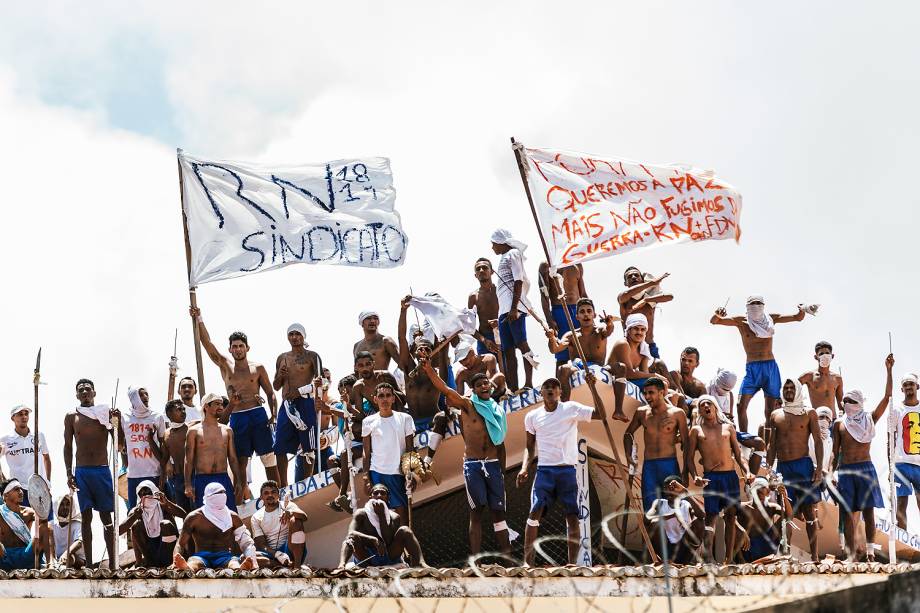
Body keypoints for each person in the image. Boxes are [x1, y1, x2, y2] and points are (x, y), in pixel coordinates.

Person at [423, 360, 513, 555]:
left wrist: (502, 472)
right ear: (473, 389)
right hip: (473, 465)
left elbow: (501, 445)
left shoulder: (497, 411)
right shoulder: (467, 405)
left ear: (490, 386)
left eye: (485, 383)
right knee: (477, 511)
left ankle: (508, 558)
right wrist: (430, 370)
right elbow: (445, 389)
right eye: (478, 385)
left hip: (493, 465)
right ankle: (476, 561)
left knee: (499, 513)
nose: (483, 386)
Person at [517, 376, 604, 566]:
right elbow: (529, 446)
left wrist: (593, 387)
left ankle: (572, 563)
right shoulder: (532, 416)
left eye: (554, 386)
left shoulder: (570, 408)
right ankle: (527, 563)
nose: (550, 389)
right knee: (535, 510)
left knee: (572, 514)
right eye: (546, 386)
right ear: (541, 392)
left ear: (560, 391)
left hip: (567, 470)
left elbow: (601, 414)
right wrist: (525, 467)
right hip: (544, 471)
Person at [191, 306, 280, 491]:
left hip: (257, 414)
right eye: (235, 346)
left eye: (241, 346)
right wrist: (198, 318)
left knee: (268, 457)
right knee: (240, 461)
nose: (238, 349)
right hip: (238, 417)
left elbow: (271, 393)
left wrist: (273, 414)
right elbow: (207, 344)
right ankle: (238, 500)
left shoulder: (258, 368)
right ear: (230, 349)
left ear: (247, 347)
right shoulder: (226, 366)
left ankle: (278, 492)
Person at [710, 296, 807, 434]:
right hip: (752, 368)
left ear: (763, 306)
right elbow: (715, 321)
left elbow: (797, 317)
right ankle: (745, 439)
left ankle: (769, 442)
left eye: (759, 303)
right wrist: (718, 313)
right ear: (747, 307)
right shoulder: (741, 321)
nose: (756, 306)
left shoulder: (770, 319)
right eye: (752, 304)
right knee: (740, 405)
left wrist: (802, 309)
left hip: (770, 368)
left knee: (770, 410)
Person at [831, 354, 894, 562]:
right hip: (846, 471)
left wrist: (888, 370)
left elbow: (886, 398)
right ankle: (850, 555)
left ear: (859, 402)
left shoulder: (869, 419)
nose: (847, 403)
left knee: (868, 513)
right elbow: (835, 450)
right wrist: (831, 472)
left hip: (866, 469)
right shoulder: (839, 424)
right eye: (845, 400)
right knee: (847, 514)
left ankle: (869, 553)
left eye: (851, 400)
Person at [685, 395, 753, 563]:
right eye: (702, 405)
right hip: (711, 478)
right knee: (711, 517)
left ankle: (729, 560)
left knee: (731, 517)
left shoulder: (728, 428)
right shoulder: (696, 430)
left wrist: (748, 471)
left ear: (715, 407)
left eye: (709, 403)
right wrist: (696, 477)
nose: (706, 406)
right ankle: (707, 559)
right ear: (700, 410)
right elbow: (689, 457)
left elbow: (738, 455)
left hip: (730, 477)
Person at [765, 378, 824, 562]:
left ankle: (814, 555)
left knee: (809, 512)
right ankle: (786, 553)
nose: (788, 390)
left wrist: (820, 468)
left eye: (792, 387)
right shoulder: (775, 415)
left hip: (804, 466)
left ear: (798, 390)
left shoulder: (809, 413)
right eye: (786, 387)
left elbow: (818, 440)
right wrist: (769, 470)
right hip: (784, 467)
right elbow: (771, 445)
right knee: (785, 512)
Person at [63, 378, 118, 568]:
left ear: (94, 393)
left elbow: (118, 441)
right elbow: (68, 446)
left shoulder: (104, 412)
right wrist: (69, 473)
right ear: (77, 395)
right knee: (86, 517)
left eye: (88, 389)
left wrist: (116, 422)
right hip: (82, 471)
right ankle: (88, 563)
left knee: (106, 517)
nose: (85, 392)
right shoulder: (72, 416)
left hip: (101, 470)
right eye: (81, 390)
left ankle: (112, 562)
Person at [624, 377, 689, 512]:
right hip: (650, 467)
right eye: (645, 393)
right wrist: (628, 455)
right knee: (651, 509)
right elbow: (628, 433)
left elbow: (687, 443)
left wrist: (686, 471)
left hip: (670, 465)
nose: (647, 396)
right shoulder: (642, 412)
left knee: (676, 507)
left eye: (651, 393)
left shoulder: (677, 413)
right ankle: (651, 533)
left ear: (661, 392)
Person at [273, 323, 324, 486]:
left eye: (297, 334)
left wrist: (301, 391)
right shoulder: (282, 357)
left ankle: (306, 484)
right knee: (279, 446)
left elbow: (323, 382)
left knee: (309, 447)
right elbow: (275, 386)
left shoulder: (312, 356)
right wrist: (281, 376)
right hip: (287, 405)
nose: (294, 337)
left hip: (305, 403)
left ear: (303, 336)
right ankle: (283, 485)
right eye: (291, 334)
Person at [361, 383, 418, 526]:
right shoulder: (368, 421)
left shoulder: (405, 418)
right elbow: (366, 452)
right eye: (381, 396)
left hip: (398, 473)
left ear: (393, 398)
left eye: (388, 395)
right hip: (376, 473)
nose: (384, 399)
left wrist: (410, 474)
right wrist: (366, 478)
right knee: (380, 518)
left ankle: (402, 548)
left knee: (402, 519)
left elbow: (410, 449)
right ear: (375, 399)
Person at [491, 228, 539, 392]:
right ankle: (513, 387)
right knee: (508, 350)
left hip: (514, 309)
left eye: (493, 244)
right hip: (504, 311)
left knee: (522, 344)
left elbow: (518, 281)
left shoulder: (512, 254)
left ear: (500, 242)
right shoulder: (504, 257)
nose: (492, 248)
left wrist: (513, 309)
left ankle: (529, 383)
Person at [173, 482, 258, 571]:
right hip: (201, 556)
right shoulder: (194, 517)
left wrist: (252, 560)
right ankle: (187, 568)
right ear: (208, 497)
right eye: (218, 493)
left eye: (223, 492)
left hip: (225, 557)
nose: (222, 495)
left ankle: (239, 569)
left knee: (233, 563)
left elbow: (246, 542)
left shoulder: (233, 517)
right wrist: (175, 560)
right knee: (194, 563)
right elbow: (180, 544)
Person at [546, 297, 617, 402]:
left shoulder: (600, 331)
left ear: (594, 315)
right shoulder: (571, 335)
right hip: (577, 368)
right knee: (562, 369)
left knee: (620, 366)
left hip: (597, 368)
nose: (586, 314)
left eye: (589, 311)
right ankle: (564, 405)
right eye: (582, 312)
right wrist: (551, 338)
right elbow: (555, 349)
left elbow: (609, 331)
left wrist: (610, 323)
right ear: (577, 317)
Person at [339, 483, 424, 568]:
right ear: (370, 497)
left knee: (405, 530)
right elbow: (351, 533)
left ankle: (420, 563)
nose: (379, 496)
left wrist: (381, 515)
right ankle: (341, 566)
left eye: (383, 493)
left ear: (388, 498)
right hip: (367, 558)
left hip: (388, 556)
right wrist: (373, 539)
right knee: (350, 539)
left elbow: (387, 540)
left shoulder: (394, 517)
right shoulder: (361, 513)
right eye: (375, 493)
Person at [608, 313, 674, 422]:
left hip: (631, 380)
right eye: (636, 329)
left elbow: (645, 376)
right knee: (657, 384)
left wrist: (658, 382)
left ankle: (667, 419)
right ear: (628, 330)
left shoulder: (643, 349)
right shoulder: (623, 344)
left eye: (643, 330)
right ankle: (664, 418)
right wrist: (654, 375)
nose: (639, 332)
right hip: (618, 377)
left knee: (667, 389)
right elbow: (628, 373)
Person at [185, 393, 244, 511]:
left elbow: (232, 458)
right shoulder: (193, 431)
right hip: (202, 479)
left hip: (223, 478)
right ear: (206, 407)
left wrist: (238, 481)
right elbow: (188, 460)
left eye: (222, 404)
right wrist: (188, 485)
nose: (221, 407)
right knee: (206, 520)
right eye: (217, 404)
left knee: (230, 515)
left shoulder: (227, 430)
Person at [326, 375, 372, 513]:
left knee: (345, 452)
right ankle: (345, 497)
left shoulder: (365, 404)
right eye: (340, 392)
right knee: (331, 461)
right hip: (351, 447)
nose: (343, 394)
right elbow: (328, 408)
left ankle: (341, 495)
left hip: (365, 445)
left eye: (346, 390)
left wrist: (341, 409)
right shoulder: (340, 405)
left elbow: (362, 420)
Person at [120, 387, 167, 512]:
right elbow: (121, 444)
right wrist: (126, 463)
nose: (145, 397)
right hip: (134, 474)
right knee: (134, 512)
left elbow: (163, 445)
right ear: (134, 399)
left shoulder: (157, 417)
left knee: (157, 510)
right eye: (141, 395)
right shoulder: (124, 418)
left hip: (154, 473)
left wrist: (164, 472)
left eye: (147, 394)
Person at [1, 405, 51, 518]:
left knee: (44, 524)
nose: (24, 417)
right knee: (22, 523)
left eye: (26, 414)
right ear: (13, 418)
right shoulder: (6, 439)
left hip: (40, 487)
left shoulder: (39, 435)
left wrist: (48, 482)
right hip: (19, 490)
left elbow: (46, 458)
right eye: (20, 414)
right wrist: (4, 481)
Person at [119, 480, 184, 568]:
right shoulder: (137, 511)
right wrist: (134, 516)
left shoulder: (162, 505)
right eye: (141, 493)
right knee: (136, 525)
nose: (145, 495)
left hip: (167, 552)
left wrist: (167, 503)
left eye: (147, 491)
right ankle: (149, 563)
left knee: (166, 524)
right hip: (150, 554)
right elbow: (118, 531)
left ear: (153, 492)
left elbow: (184, 515)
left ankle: (170, 562)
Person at [645, 476, 705, 564]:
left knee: (699, 523)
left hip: (683, 548)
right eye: (667, 489)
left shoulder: (686, 504)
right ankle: (665, 560)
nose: (669, 491)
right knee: (655, 522)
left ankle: (686, 561)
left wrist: (685, 491)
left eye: (673, 489)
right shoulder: (660, 503)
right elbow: (647, 519)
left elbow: (702, 515)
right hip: (664, 549)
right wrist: (672, 515)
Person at [618, 267, 672, 360]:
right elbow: (623, 296)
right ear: (625, 283)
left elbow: (669, 296)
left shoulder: (651, 298)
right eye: (630, 276)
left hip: (649, 345)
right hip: (630, 347)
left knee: (658, 370)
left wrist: (646, 300)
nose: (634, 277)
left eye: (636, 275)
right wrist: (651, 283)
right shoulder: (625, 298)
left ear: (642, 279)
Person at [735, 477, 793, 563]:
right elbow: (727, 516)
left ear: (767, 492)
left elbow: (789, 516)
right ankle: (741, 560)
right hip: (748, 549)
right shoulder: (743, 507)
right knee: (734, 526)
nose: (760, 494)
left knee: (786, 522)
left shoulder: (771, 507)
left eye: (762, 491)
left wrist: (784, 496)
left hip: (767, 548)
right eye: (757, 491)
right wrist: (741, 529)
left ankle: (785, 555)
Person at [251, 481, 308, 568]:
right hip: (271, 555)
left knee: (296, 521)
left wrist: (291, 513)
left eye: (273, 492)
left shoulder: (287, 505)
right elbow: (261, 545)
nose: (270, 495)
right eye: (266, 493)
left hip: (291, 550)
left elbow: (304, 516)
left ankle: (297, 567)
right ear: (261, 497)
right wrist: (277, 554)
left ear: (278, 495)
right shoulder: (256, 517)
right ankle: (286, 566)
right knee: (247, 557)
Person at [538, 262, 586, 365]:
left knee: (583, 353)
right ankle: (561, 380)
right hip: (559, 311)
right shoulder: (546, 264)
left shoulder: (577, 263)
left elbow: (583, 293)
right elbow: (544, 296)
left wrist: (591, 314)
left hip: (578, 312)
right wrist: (550, 321)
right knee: (561, 356)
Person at [0, 479, 47, 570]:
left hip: (26, 555)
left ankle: (51, 562)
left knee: (46, 527)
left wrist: (40, 503)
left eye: (21, 489)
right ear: (6, 496)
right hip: (5, 558)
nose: (21, 492)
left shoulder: (30, 512)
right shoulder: (1, 512)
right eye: (16, 489)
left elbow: (38, 531)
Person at [894, 372, 920, 529]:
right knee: (901, 503)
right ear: (901, 389)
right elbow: (890, 437)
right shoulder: (896, 409)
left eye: (911, 384)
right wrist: (891, 465)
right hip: (901, 463)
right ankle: (901, 539)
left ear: (917, 386)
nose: (908, 387)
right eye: (905, 385)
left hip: (919, 464)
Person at [799, 341, 844, 418]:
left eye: (827, 353)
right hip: (816, 420)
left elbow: (841, 403)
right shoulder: (808, 376)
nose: (825, 356)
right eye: (821, 354)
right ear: (816, 357)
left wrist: (844, 418)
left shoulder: (837, 378)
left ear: (832, 356)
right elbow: (791, 388)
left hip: (832, 420)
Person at [161, 400, 191, 511]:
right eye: (179, 409)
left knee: (196, 510)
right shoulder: (167, 434)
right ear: (169, 414)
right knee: (183, 511)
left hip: (192, 477)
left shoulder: (190, 429)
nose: (183, 412)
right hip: (177, 479)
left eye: (184, 409)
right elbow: (164, 457)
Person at [468, 258, 502, 357]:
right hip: (484, 339)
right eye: (478, 269)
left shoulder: (500, 291)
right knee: (486, 370)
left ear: (492, 272)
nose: (481, 270)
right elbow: (470, 326)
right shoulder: (473, 297)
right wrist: (484, 340)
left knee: (507, 369)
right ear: (475, 275)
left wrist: (499, 323)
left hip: (503, 334)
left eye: (485, 267)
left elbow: (513, 312)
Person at [50, 493, 84, 568]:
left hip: (75, 558)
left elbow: (79, 542)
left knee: (70, 558)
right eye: (61, 504)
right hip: (56, 559)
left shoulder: (77, 524)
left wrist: (66, 553)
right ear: (56, 506)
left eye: (68, 504)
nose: (65, 507)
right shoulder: (51, 525)